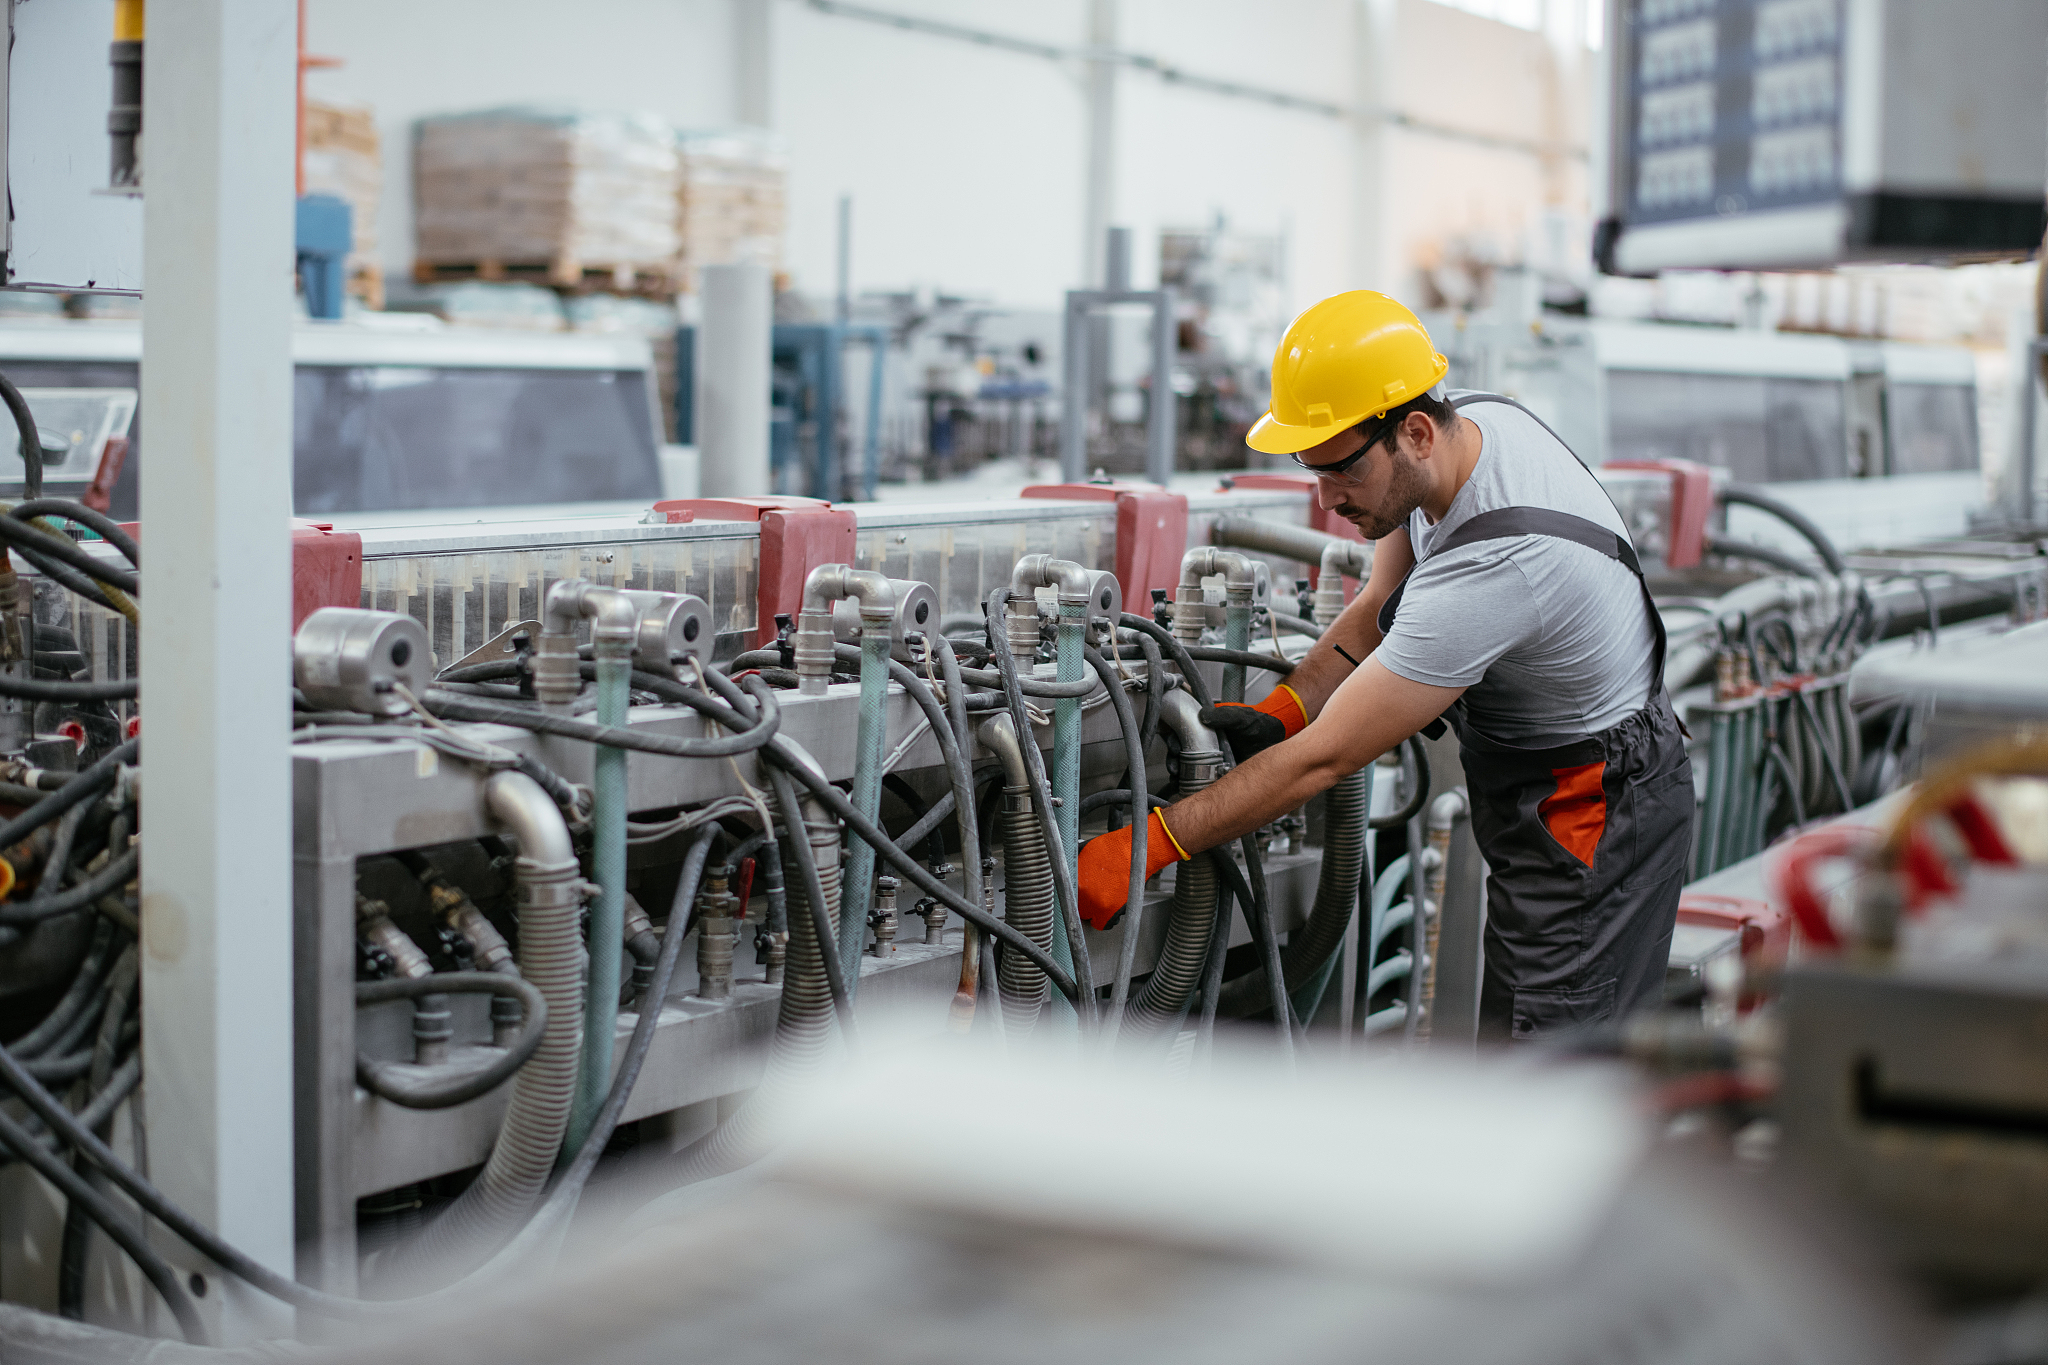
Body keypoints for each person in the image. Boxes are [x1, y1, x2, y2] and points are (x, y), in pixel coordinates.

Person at [1075, 291, 1693, 1042]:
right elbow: (1379, 603)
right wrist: (1288, 705)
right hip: (1556, 774)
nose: (1327, 498)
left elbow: (1325, 758)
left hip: (1594, 800)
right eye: (1310, 468)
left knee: (1549, 1054)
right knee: (1529, 1031)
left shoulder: (1499, 565)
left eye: (1342, 470)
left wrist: (1150, 844)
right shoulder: (1462, 429)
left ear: (1416, 433)